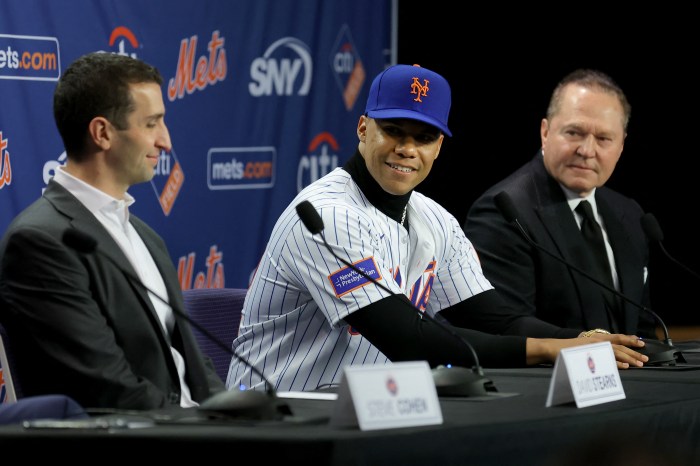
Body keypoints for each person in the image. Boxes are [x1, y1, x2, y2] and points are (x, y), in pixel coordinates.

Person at [226, 64, 647, 393]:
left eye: (424, 137)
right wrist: (557, 350)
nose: (407, 149)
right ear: (362, 128)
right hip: (277, 418)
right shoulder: (324, 214)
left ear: (439, 147)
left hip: (373, 413)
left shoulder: (433, 219)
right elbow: (408, 339)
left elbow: (495, 320)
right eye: (392, 131)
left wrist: (586, 338)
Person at [0, 52, 224, 410]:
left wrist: (240, 418)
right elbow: (106, 389)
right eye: (152, 124)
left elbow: (194, 368)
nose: (165, 141)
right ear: (102, 133)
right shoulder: (39, 241)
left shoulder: (146, 237)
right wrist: (209, 430)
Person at [463, 68, 657, 339]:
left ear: (621, 145)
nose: (587, 151)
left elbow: (643, 327)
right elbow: (508, 330)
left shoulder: (630, 214)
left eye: (603, 139)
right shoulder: (504, 211)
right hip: (545, 379)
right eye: (574, 133)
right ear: (545, 132)